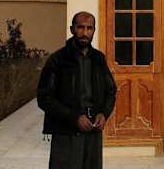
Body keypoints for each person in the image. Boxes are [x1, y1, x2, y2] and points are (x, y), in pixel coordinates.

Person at [37, 11, 117, 169]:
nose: (85, 33)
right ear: (72, 29)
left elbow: (111, 90)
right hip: (66, 131)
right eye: (80, 27)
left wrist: (103, 113)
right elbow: (44, 97)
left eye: (89, 28)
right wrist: (74, 118)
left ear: (94, 30)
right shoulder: (57, 60)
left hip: (93, 131)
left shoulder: (99, 59)